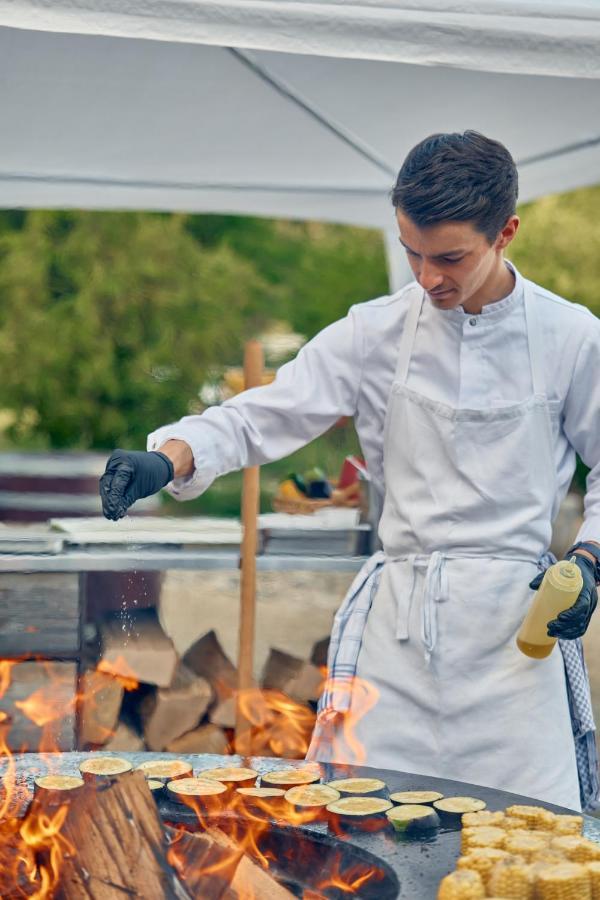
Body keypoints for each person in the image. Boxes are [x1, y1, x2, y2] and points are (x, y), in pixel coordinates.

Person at [100, 131, 600, 811]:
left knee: (529, 846)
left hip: (516, 644)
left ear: (506, 232)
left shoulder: (571, 338)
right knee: (369, 836)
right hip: (396, 643)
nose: (427, 278)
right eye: (413, 253)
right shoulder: (376, 332)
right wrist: (170, 456)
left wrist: (591, 560)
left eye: (450, 258)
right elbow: (265, 413)